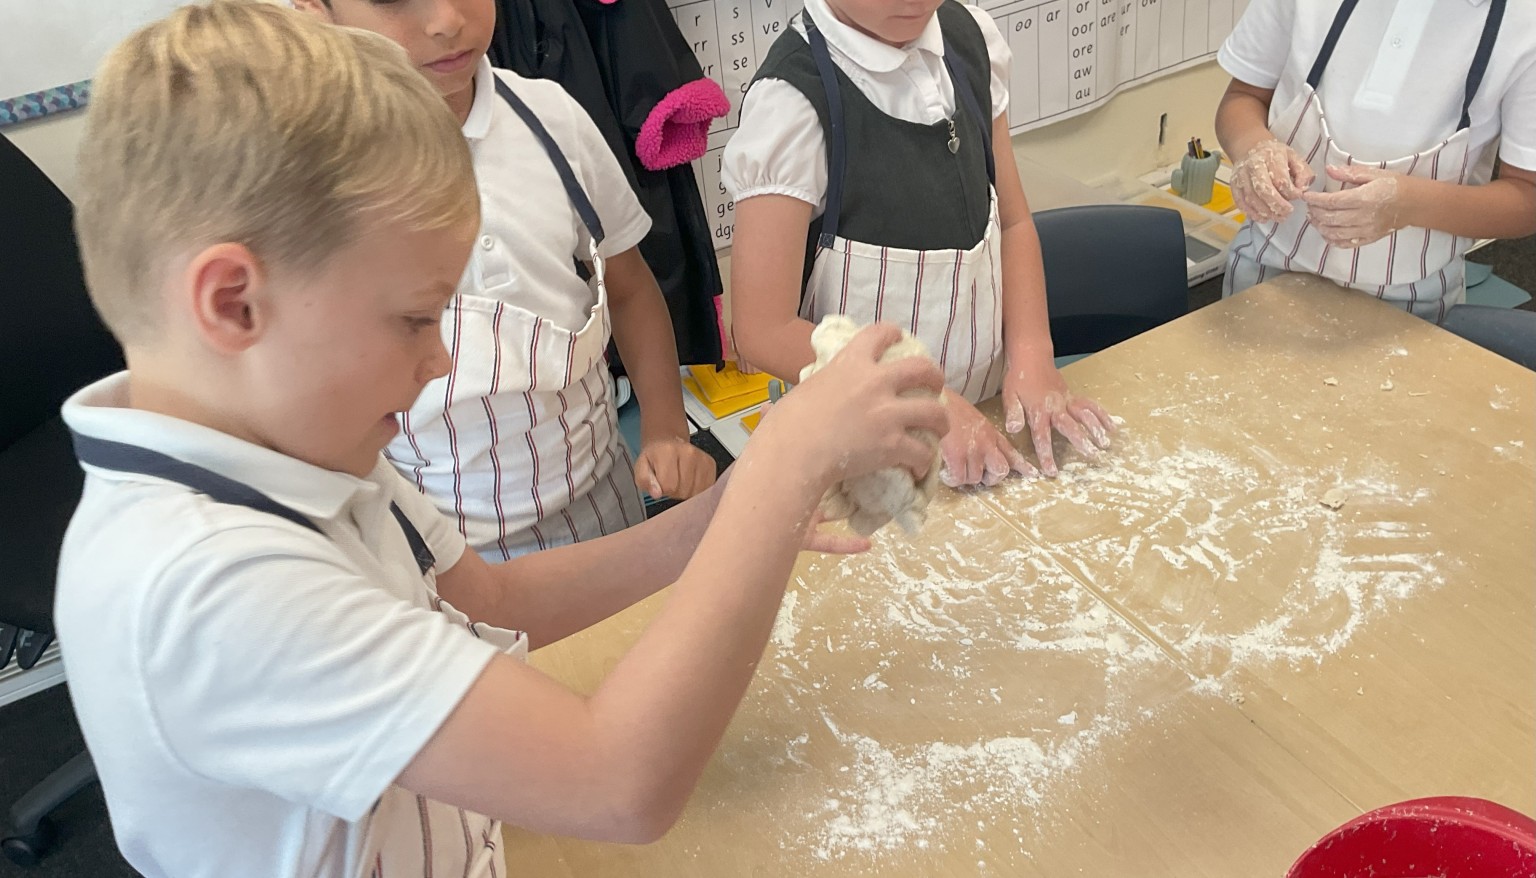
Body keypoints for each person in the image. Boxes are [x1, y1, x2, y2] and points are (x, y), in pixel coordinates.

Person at [55, 4, 950, 875]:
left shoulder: (299, 446)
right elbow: (618, 784)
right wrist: (782, 464)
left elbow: (492, 599)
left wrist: (715, 518)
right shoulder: (207, 591)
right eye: (412, 320)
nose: (441, 361)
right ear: (233, 303)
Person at [293, 0, 718, 560]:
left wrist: (666, 430)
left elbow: (631, 287)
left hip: (606, 508)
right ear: (313, 9)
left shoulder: (551, 119)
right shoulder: (307, 179)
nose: (446, 20)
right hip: (446, 551)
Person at [722, 0, 1114, 486]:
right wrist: (925, 400)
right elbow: (762, 329)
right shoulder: (794, 101)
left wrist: (1032, 352)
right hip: (859, 458)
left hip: (985, 421)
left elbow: (1012, 223)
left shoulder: (970, 41)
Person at [1216, 0, 1536, 322]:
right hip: (1265, 267)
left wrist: (1407, 203)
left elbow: (1527, 196)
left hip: (1413, 302)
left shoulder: (1525, 21)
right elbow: (1244, 98)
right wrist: (1254, 148)